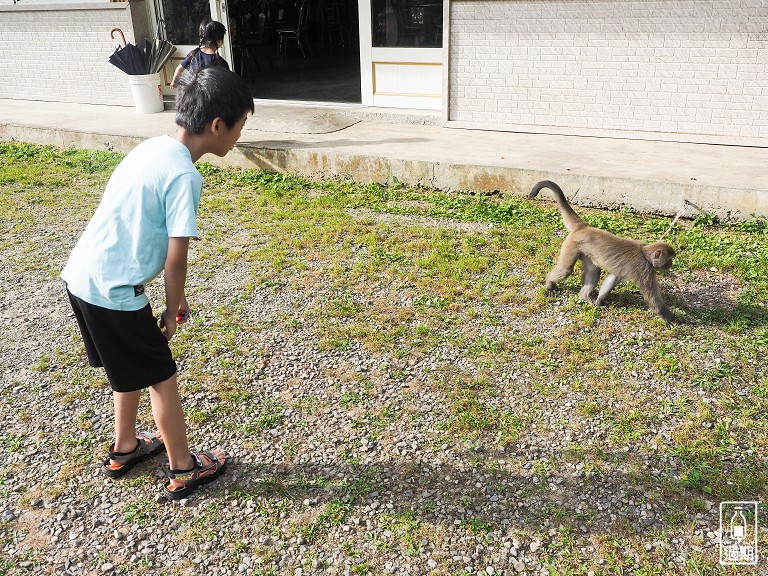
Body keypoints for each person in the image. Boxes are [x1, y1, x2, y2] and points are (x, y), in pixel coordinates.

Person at [61, 68, 254, 500]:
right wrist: (174, 305)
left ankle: (126, 447)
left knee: (126, 369)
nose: (239, 136)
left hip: (82, 278)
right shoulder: (186, 175)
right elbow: (176, 256)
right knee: (162, 378)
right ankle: (184, 468)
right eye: (241, 126)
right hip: (115, 292)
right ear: (218, 125)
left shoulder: (152, 148)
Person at [170, 18, 230, 88]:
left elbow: (179, 69)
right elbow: (227, 83)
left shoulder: (193, 54)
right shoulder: (221, 63)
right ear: (219, 41)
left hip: (192, 93)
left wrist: (174, 82)